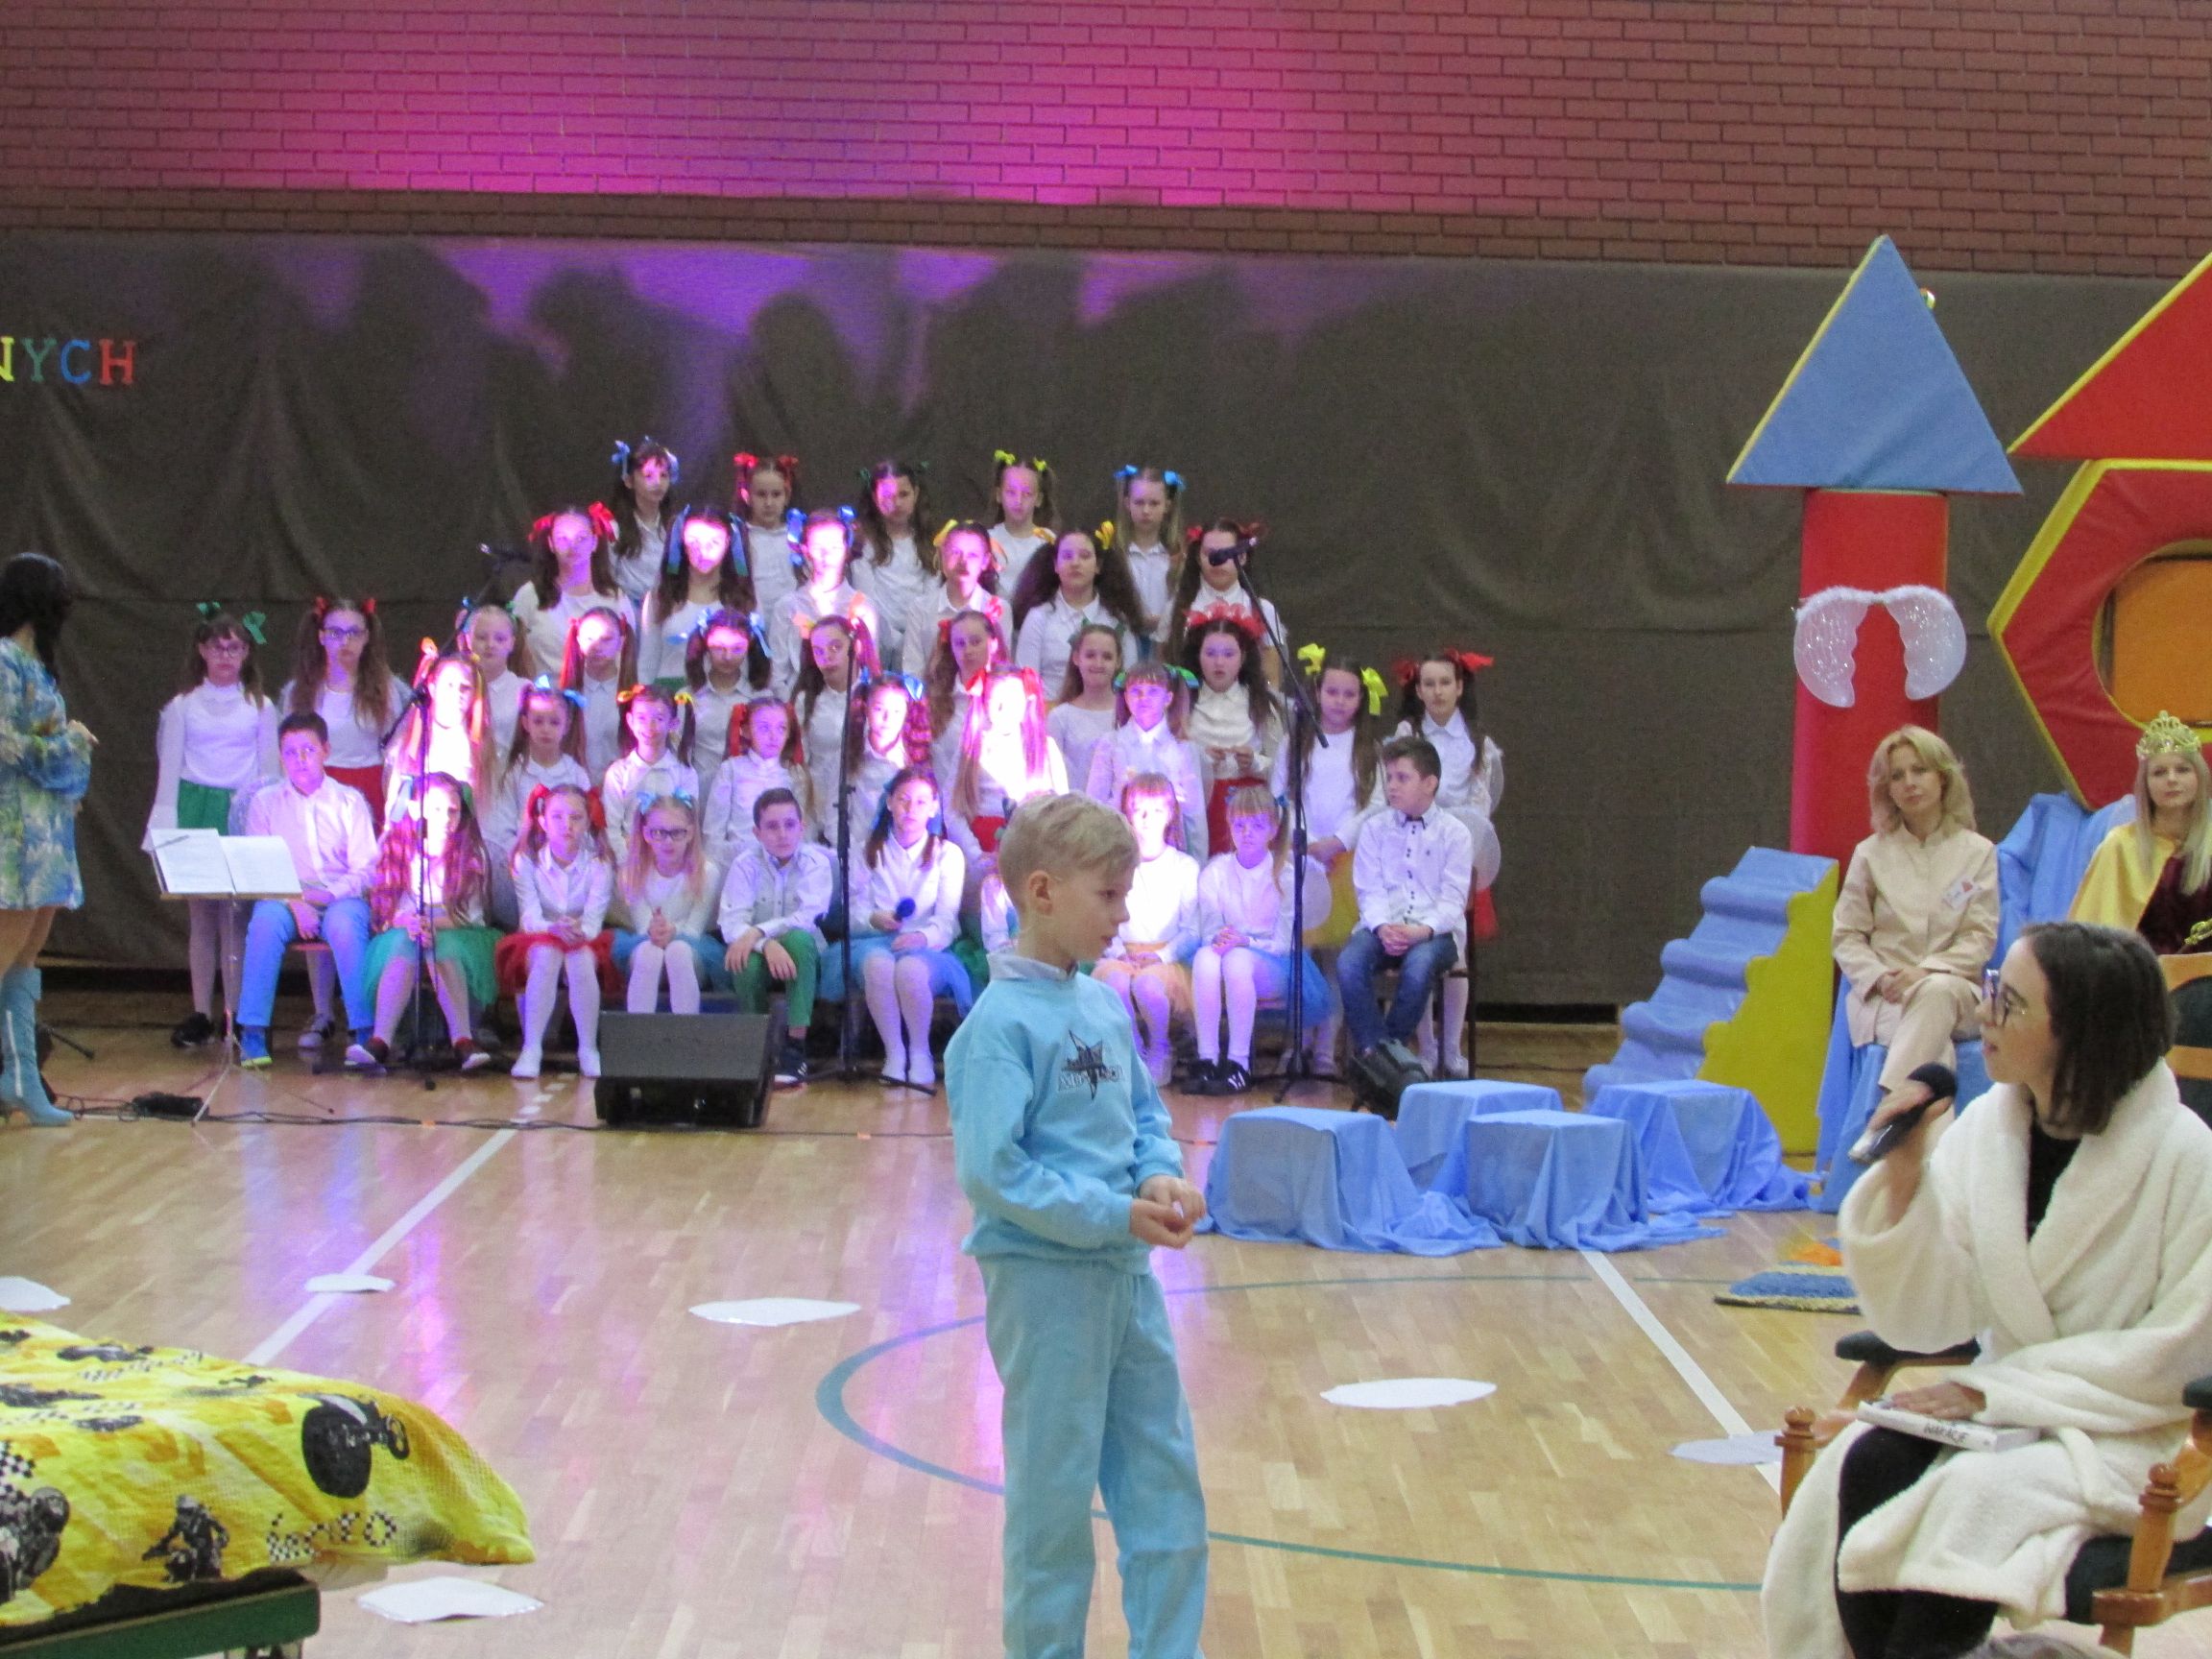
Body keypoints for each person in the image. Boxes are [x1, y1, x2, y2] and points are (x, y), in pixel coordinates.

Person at [1763, 922, 2212, 1659]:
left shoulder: (2186, 1157)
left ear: (2079, 1031)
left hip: (2124, 1436)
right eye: (1994, 990)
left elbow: (2179, 1354)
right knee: (1867, 1463)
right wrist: (1904, 1181)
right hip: (2008, 1415)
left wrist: (1991, 1392)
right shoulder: (1987, 1133)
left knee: (1969, 1503)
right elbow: (1928, 1319)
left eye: (2009, 1002)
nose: (1983, 1014)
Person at [943, 790, 1209, 1659]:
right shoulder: (996, 1029)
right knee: (1052, 1513)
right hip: (1046, 1288)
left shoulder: (1097, 1004)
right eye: (1109, 895)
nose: (1123, 915)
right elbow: (995, 1173)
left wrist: (1159, 1173)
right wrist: (1111, 1213)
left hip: (1126, 1280)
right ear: (1043, 892)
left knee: (1166, 1495)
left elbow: (1143, 1116)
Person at [1834, 726, 2002, 1104]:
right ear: (1887, 789)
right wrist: (1881, 978)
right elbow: (1846, 936)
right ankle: (1923, 1135)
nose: (1909, 783)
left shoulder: (1978, 852)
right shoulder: (1870, 854)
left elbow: (1979, 938)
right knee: (1934, 1046)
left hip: (1956, 991)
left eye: (1919, 770)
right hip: (1887, 996)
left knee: (1936, 992)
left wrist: (1925, 971)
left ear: (1942, 777)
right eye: (1897, 776)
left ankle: (1888, 1108)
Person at [145, 606, 279, 1048]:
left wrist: (266, 830)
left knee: (235, 917)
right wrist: (164, 827)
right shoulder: (182, 707)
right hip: (195, 812)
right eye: (218, 647)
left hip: (239, 813)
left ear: (246, 654)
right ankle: (201, 1011)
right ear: (202, 650)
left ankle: (235, 1013)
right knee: (202, 916)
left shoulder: (260, 707)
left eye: (235, 648)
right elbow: (169, 770)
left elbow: (269, 775)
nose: (226, 656)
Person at [0, 553, 91, 1127]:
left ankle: (22, 1080)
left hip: (49, 830)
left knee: (25, 958)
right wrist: (68, 744)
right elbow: (4, 741)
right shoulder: (4, 660)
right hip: (14, 832)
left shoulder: (38, 663)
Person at [234, 713, 377, 1069]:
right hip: (285, 894)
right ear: (280, 756)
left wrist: (330, 895)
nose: (299, 760)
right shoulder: (265, 802)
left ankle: (364, 1031)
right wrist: (295, 901)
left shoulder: (349, 801)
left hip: (338, 894)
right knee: (264, 925)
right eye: (290, 752)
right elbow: (259, 867)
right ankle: (252, 1030)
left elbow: (366, 868)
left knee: (345, 927)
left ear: (325, 750)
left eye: (308, 750)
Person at [1271, 650, 1388, 1074]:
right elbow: (1281, 794)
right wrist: (1305, 838)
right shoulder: (1295, 742)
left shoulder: (1368, 749)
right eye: (1332, 692)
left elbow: (1376, 803)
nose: (1339, 701)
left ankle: (1326, 1049)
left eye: (1349, 694)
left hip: (1345, 862)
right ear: (1317, 692)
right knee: (1301, 959)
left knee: (1338, 961)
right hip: (1301, 856)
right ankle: (1297, 1044)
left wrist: (1338, 840)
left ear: (1361, 699)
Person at [348, 772, 498, 1073]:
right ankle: (381, 1040)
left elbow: (470, 915)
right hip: (408, 928)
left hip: (458, 929)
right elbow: (387, 908)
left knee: (440, 946)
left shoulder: (471, 853)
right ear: (416, 809)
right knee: (406, 943)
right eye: (436, 809)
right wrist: (409, 922)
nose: (445, 819)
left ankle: (462, 1039)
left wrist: (432, 923)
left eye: (453, 811)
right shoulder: (398, 849)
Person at [1336, 736, 1473, 1061]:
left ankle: (1384, 1057)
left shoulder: (1455, 833)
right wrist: (1383, 926)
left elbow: (1453, 900)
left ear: (1429, 783)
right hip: (1384, 926)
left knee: (1419, 965)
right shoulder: (1374, 829)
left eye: (1402, 778)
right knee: (1349, 963)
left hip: (1435, 932)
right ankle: (1378, 1054)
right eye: (1390, 778)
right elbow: (1369, 889)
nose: (1392, 786)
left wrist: (1422, 930)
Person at [1191, 785, 1332, 1094]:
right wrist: (1222, 937)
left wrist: (1245, 942)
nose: (1247, 833)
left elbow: (1282, 944)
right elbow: (1209, 930)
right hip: (1229, 951)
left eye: (1257, 825)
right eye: (1239, 824)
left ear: (1273, 829)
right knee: (1204, 957)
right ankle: (1207, 1059)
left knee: (1238, 961)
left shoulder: (1285, 876)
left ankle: (1239, 1063)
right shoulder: (1216, 872)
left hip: (1275, 962)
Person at [849, 767, 971, 1093]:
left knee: (911, 970)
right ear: (889, 802)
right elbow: (854, 910)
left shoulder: (948, 855)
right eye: (903, 800)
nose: (911, 809)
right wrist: (874, 918)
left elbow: (947, 920)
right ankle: (894, 1052)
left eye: (920, 802)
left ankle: (920, 1051)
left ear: (933, 807)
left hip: (925, 947)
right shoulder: (866, 850)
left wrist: (923, 936)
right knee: (879, 965)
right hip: (876, 941)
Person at [498, 781, 614, 1080]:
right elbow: (529, 917)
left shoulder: (600, 864)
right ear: (543, 821)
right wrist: (553, 928)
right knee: (548, 953)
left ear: (588, 822)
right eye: (558, 817)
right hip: (539, 936)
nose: (567, 825)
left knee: (579, 958)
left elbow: (593, 921)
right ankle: (531, 1047)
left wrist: (576, 931)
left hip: (581, 938)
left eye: (576, 818)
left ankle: (588, 1048)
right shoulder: (526, 860)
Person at [2071, 711, 2212, 952]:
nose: (2171, 779)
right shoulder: (2121, 846)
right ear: (2145, 784)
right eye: (2159, 772)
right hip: (2145, 973)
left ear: (2200, 777)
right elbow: (2095, 942)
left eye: (2182, 770)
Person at [720, 786, 833, 1087]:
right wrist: (765, 943)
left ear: (802, 827)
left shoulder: (816, 863)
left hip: (803, 951)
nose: (782, 834)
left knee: (798, 939)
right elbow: (731, 922)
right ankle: (756, 1045)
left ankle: (795, 1047)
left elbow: (808, 917)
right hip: (760, 951)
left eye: (789, 824)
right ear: (757, 832)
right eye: (771, 826)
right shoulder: (744, 865)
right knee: (742, 957)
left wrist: (759, 931)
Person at [1093, 774, 1201, 1086]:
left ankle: (1160, 1048)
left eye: (1156, 811)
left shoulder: (1184, 867)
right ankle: (1133, 1049)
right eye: (1139, 810)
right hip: (1124, 953)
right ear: (1127, 814)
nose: (1146, 819)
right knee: (1115, 983)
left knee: (1147, 986)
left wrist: (1162, 955)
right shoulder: (1114, 866)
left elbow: (1192, 929)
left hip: (1166, 957)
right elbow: (1103, 916)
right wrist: (1118, 951)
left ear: (1170, 814)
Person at [282, 595, 404, 830]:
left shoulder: (385, 690)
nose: (345, 641)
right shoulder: (300, 692)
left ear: (366, 637)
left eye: (354, 633)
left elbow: (396, 752)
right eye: (335, 633)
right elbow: (288, 751)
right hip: (316, 789)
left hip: (370, 789)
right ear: (321, 636)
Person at [482, 678, 592, 926]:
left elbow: (588, 829)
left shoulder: (576, 774)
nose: (545, 729)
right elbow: (501, 826)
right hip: (526, 865)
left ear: (567, 726)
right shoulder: (514, 774)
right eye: (538, 721)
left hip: (568, 866)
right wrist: (524, 857)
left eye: (554, 722)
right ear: (525, 723)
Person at [1183, 609, 1284, 855]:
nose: (1219, 663)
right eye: (1210, 654)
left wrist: (1254, 762)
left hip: (1249, 809)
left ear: (1243, 657)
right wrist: (1201, 760)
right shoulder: (1182, 702)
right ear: (1198, 656)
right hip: (1198, 808)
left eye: (1229, 654)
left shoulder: (1261, 704)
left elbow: (1282, 768)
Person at [1085, 659, 1206, 858]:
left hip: (1170, 850)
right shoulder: (1111, 744)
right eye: (1136, 691)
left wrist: (1198, 861)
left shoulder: (1182, 747)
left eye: (1153, 691)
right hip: (1121, 847)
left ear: (1168, 698)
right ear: (1125, 697)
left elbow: (1194, 813)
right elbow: (1094, 804)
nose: (1143, 698)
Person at [1010, 526, 1146, 695]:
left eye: (1085, 556)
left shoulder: (1116, 620)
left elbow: (1129, 682)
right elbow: (1025, 683)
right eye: (1067, 556)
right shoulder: (1039, 617)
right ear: (1056, 565)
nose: (1075, 563)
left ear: (1098, 566)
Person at [613, 795, 716, 1015]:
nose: (668, 841)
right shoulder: (632, 873)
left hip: (690, 950)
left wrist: (673, 930)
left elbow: (694, 930)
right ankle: (639, 1028)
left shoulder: (707, 872)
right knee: (648, 952)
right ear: (646, 833)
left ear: (690, 833)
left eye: (676, 832)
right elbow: (643, 928)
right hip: (647, 944)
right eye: (659, 833)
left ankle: (685, 1030)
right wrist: (655, 929)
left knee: (678, 951)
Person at [510, 503, 636, 671]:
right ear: (551, 543)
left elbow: (628, 655)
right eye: (562, 538)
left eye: (581, 538)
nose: (572, 546)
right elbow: (514, 651)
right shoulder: (531, 595)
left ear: (594, 542)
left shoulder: (614, 597)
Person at [770, 511, 880, 701]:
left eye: (834, 547)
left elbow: (869, 668)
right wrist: (795, 707)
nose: (826, 555)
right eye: (818, 547)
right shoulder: (788, 607)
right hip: (801, 702)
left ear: (846, 549)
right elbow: (778, 676)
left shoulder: (863, 607)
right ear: (805, 550)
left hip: (849, 704)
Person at [637, 507, 753, 687]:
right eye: (694, 542)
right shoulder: (661, 596)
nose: (703, 551)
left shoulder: (743, 598)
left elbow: (752, 662)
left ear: (728, 542)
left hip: (725, 694)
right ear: (682, 541)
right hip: (670, 695)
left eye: (714, 542)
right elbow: (647, 663)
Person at [1164, 518, 1284, 684]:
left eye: (1226, 554)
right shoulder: (1176, 608)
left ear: (1242, 557)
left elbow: (1272, 679)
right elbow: (1163, 670)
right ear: (1198, 558)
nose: (1218, 562)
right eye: (1210, 554)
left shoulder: (1263, 609)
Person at [849, 459, 939, 674]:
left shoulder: (929, 544)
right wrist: (890, 638)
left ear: (916, 494)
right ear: (875, 498)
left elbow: (931, 598)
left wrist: (912, 637)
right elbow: (867, 598)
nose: (896, 503)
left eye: (903, 494)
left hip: (918, 636)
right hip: (880, 638)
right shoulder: (866, 545)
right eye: (887, 496)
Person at [598, 684, 699, 863]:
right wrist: (627, 862)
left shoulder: (684, 773)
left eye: (659, 719)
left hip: (671, 862)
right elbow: (611, 827)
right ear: (630, 721)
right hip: (628, 861)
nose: (649, 726)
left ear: (673, 724)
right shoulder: (618, 773)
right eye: (641, 718)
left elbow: (688, 824)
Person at [701, 696, 805, 869]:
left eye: (781, 728)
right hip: (736, 863)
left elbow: (803, 832)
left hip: (784, 864)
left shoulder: (794, 774)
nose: (774, 736)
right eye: (764, 728)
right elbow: (713, 834)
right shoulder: (731, 770)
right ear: (746, 731)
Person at [681, 607, 771, 799]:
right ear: (706, 645)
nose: (728, 657)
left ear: (749, 646)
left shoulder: (761, 698)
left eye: (737, 648)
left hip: (748, 794)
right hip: (700, 792)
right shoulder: (687, 697)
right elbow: (680, 755)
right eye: (718, 648)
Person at [902, 522, 1011, 667]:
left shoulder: (998, 609)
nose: (963, 561)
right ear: (943, 556)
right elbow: (912, 668)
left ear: (985, 561)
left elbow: (1001, 666)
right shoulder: (920, 609)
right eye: (955, 552)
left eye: (972, 555)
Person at [557, 607, 637, 782]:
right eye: (589, 638)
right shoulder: (565, 693)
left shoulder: (634, 694)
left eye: (606, 639)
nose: (597, 647)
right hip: (572, 785)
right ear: (578, 641)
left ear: (621, 641)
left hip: (621, 786)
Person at [1112, 463, 1187, 647]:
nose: (1146, 511)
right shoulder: (1114, 554)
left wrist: (1164, 620)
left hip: (1166, 646)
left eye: (1154, 503)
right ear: (1127, 503)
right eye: (1139, 502)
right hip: (1122, 644)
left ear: (1167, 506)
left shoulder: (1178, 556)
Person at [1046, 622, 1123, 795]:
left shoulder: (1129, 713)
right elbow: (1051, 775)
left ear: (1118, 662)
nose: (1098, 663)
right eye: (1090, 655)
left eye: (1107, 657)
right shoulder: (1060, 717)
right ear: (1076, 658)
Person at [604, 437, 678, 607]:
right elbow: (608, 578)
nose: (658, 483)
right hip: (627, 608)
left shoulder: (675, 527)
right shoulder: (614, 530)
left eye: (664, 475)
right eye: (648, 475)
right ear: (629, 480)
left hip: (667, 606)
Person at [733, 451, 805, 621]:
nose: (769, 503)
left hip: (793, 625)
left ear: (787, 496)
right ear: (747, 496)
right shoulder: (738, 540)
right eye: (761, 494)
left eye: (776, 494)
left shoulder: (798, 538)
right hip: (751, 624)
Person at [461, 601, 531, 754]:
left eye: (500, 639)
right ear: (468, 639)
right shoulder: (456, 687)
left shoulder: (524, 690)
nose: (490, 645)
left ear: (512, 643)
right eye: (481, 637)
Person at [985, 450, 1056, 574]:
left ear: (1038, 499)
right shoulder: (988, 539)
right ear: (999, 495)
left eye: (1027, 494)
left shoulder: (1048, 540)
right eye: (1011, 492)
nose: (1018, 501)